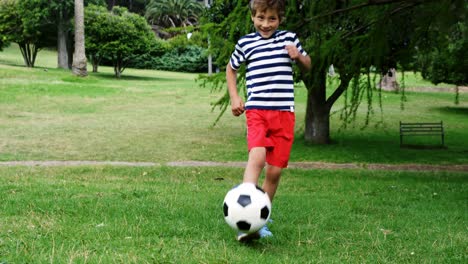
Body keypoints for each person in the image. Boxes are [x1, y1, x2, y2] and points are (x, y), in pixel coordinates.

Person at [226, 0, 311, 242]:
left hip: (284, 113)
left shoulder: (289, 39)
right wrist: (235, 97)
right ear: (253, 16)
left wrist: (299, 57)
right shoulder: (245, 43)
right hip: (257, 111)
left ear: (280, 19)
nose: (265, 24)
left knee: (274, 172)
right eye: (260, 18)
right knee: (258, 157)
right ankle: (247, 218)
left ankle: (261, 216)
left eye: (271, 18)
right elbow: (231, 69)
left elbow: (308, 64)